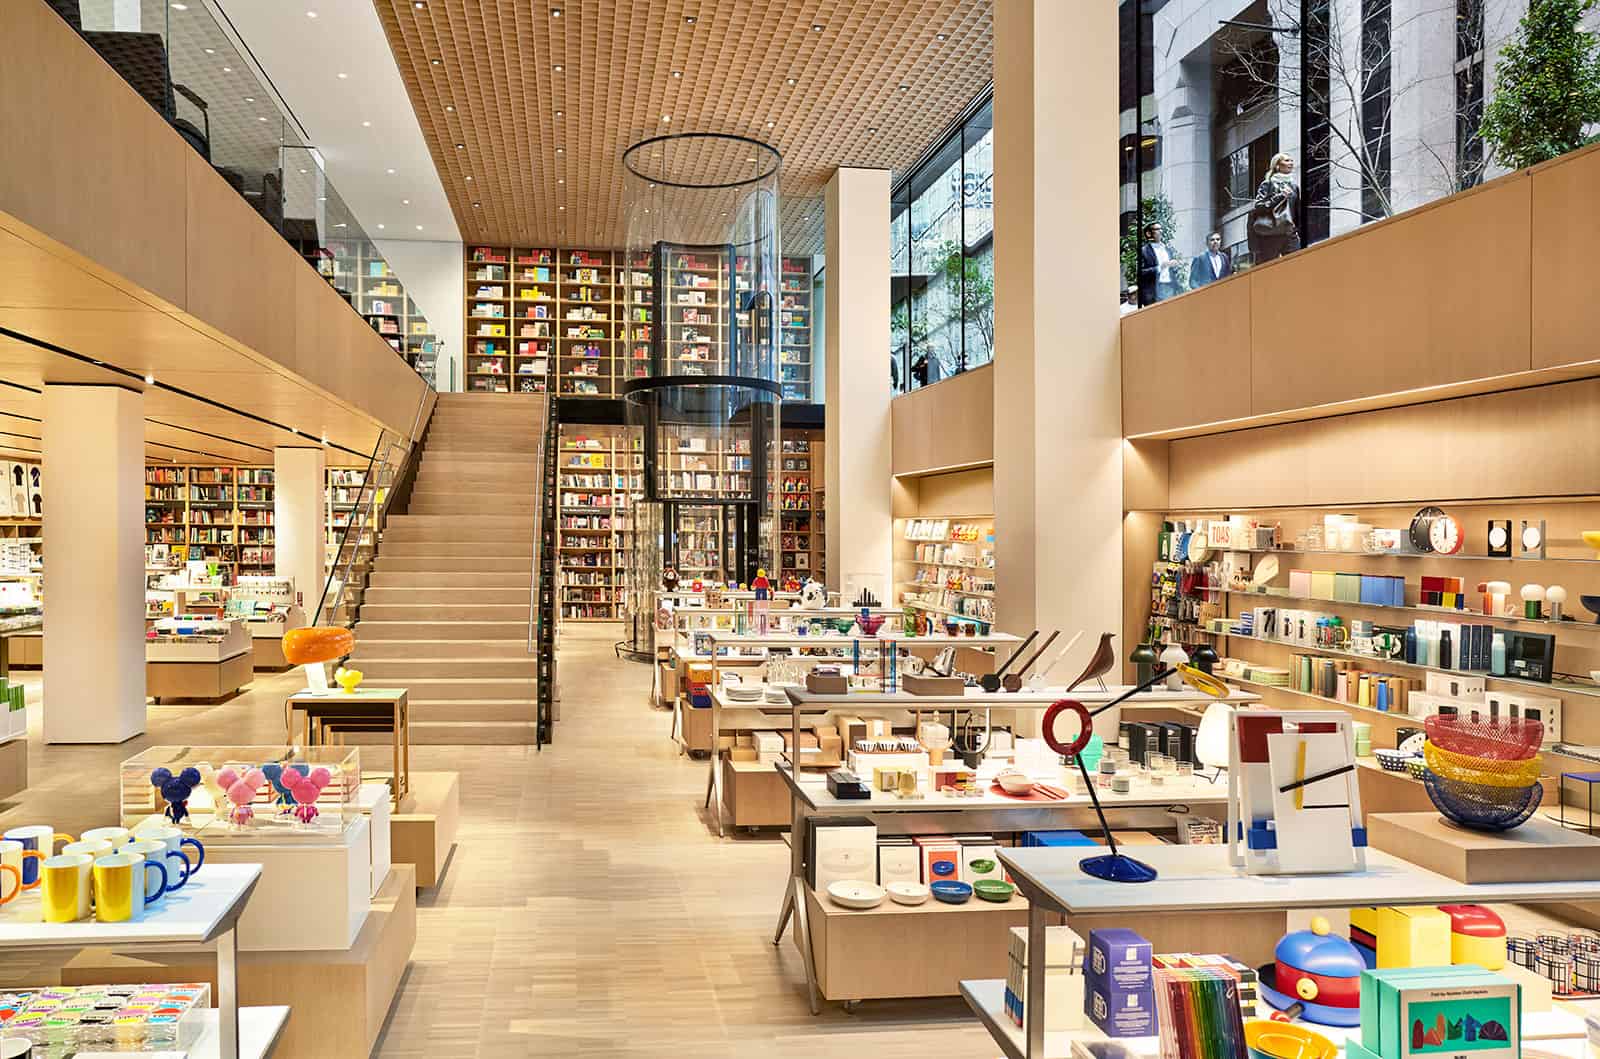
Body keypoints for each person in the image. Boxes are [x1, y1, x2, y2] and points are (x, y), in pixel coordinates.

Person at [1248, 152, 1301, 265]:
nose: (1291, 163)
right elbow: (1259, 206)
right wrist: (1280, 196)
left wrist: (1297, 230)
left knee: (1296, 266)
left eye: (1291, 160)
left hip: (1289, 234)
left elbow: (1296, 211)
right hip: (1270, 233)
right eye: (1287, 160)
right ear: (1277, 165)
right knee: (1269, 268)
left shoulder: (1294, 186)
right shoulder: (1267, 184)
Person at [1136, 222, 1179, 305]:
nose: (1161, 231)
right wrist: (1159, 267)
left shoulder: (1167, 249)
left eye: (1161, 229)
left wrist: (1175, 266)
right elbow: (1140, 273)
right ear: (1148, 233)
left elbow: (1172, 271)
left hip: (1170, 287)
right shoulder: (1143, 251)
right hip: (1154, 290)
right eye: (1157, 229)